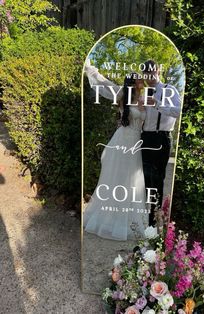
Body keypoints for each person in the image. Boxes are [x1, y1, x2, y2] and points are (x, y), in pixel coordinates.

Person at [83, 62, 149, 241]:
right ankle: (110, 218)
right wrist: (91, 70)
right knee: (117, 177)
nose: (142, 82)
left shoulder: (143, 100)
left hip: (136, 141)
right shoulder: (122, 95)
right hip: (122, 138)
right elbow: (105, 84)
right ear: (133, 83)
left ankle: (129, 219)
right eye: (140, 80)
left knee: (132, 178)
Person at [141, 60, 181, 226]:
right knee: (144, 179)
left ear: (158, 71)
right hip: (144, 138)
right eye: (146, 73)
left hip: (162, 138)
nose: (149, 76)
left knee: (158, 179)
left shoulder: (169, 90)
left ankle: (154, 220)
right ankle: (146, 217)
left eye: (151, 72)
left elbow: (178, 111)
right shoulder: (142, 92)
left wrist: (157, 104)